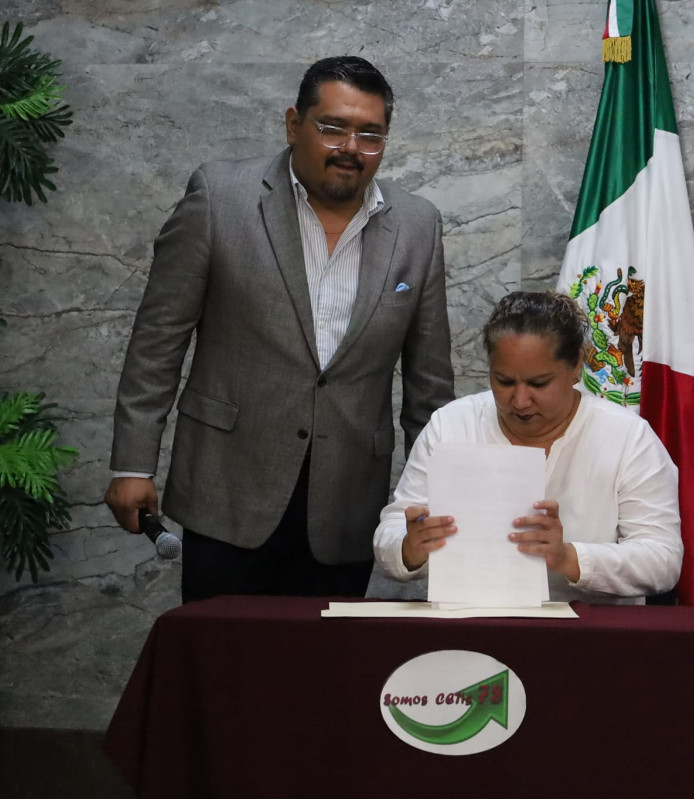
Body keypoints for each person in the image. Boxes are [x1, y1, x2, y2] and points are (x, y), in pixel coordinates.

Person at [105, 56, 454, 602]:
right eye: (332, 127)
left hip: (348, 504)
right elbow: (158, 340)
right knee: (223, 651)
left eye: (370, 135)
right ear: (294, 124)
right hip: (228, 489)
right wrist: (132, 463)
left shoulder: (418, 224)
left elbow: (429, 384)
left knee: (323, 656)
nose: (350, 148)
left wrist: (441, 494)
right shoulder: (221, 197)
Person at [373, 291, 682, 604]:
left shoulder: (627, 436)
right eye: (504, 381)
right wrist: (409, 547)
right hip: (470, 622)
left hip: (591, 626)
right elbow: (391, 532)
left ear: (576, 365)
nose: (520, 401)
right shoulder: (451, 425)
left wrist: (569, 557)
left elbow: (663, 560)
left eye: (539, 383)